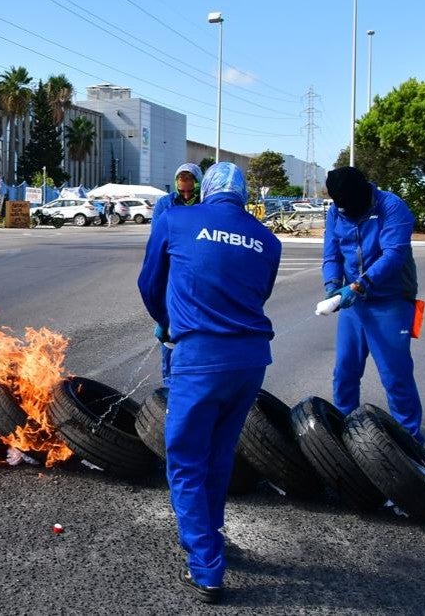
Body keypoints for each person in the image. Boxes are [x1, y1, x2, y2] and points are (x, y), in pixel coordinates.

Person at [137, 162, 281, 604]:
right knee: (219, 453)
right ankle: (212, 535)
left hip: (200, 358)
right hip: (250, 361)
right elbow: (259, 294)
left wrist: (166, 323)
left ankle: (205, 565)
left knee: (184, 458)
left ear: (207, 189)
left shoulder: (175, 219)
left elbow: (149, 283)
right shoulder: (268, 240)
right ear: (242, 193)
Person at [322, 166, 424, 443]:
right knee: (345, 371)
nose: (346, 211)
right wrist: (332, 287)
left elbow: (394, 254)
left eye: (350, 206)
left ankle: (411, 443)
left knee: (395, 375)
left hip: (390, 302)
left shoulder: (392, 206)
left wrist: (360, 285)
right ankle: (345, 434)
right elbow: (331, 253)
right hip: (354, 304)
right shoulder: (336, 211)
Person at [151, 162, 204, 383]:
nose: (186, 195)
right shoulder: (165, 203)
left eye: (190, 190)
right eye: (182, 190)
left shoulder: (206, 203)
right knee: (170, 335)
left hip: (200, 272)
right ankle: (169, 387)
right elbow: (157, 240)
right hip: (174, 269)